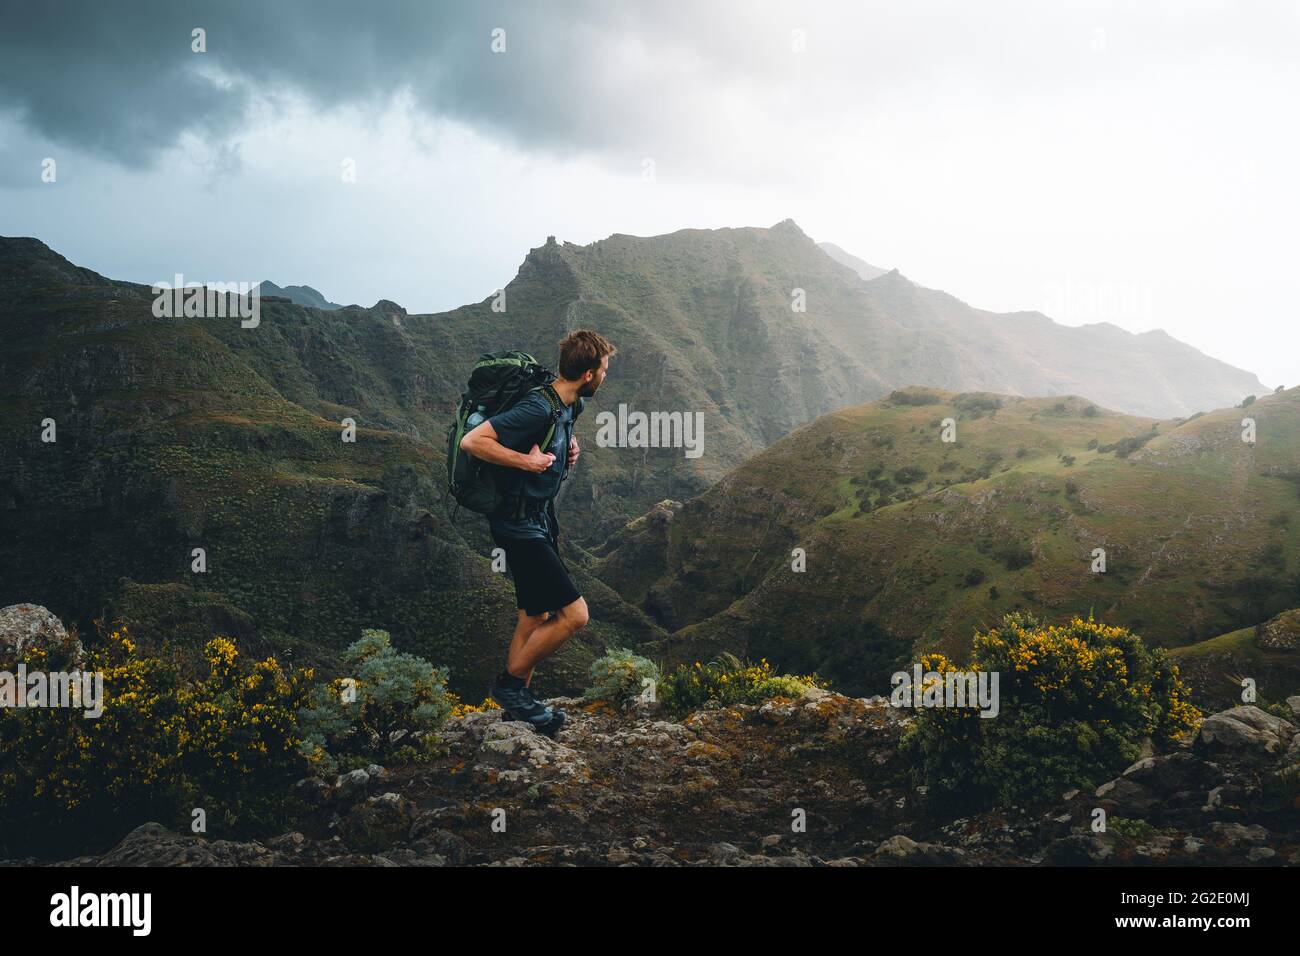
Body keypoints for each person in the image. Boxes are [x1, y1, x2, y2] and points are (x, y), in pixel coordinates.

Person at [458, 329, 616, 735]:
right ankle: (511, 686)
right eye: (603, 369)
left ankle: (519, 710)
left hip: (539, 520)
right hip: (517, 524)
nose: (605, 376)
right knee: (575, 615)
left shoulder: (569, 404)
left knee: (535, 614)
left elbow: (557, 431)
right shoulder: (537, 406)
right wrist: (525, 463)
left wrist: (569, 446)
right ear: (587, 374)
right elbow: (474, 442)